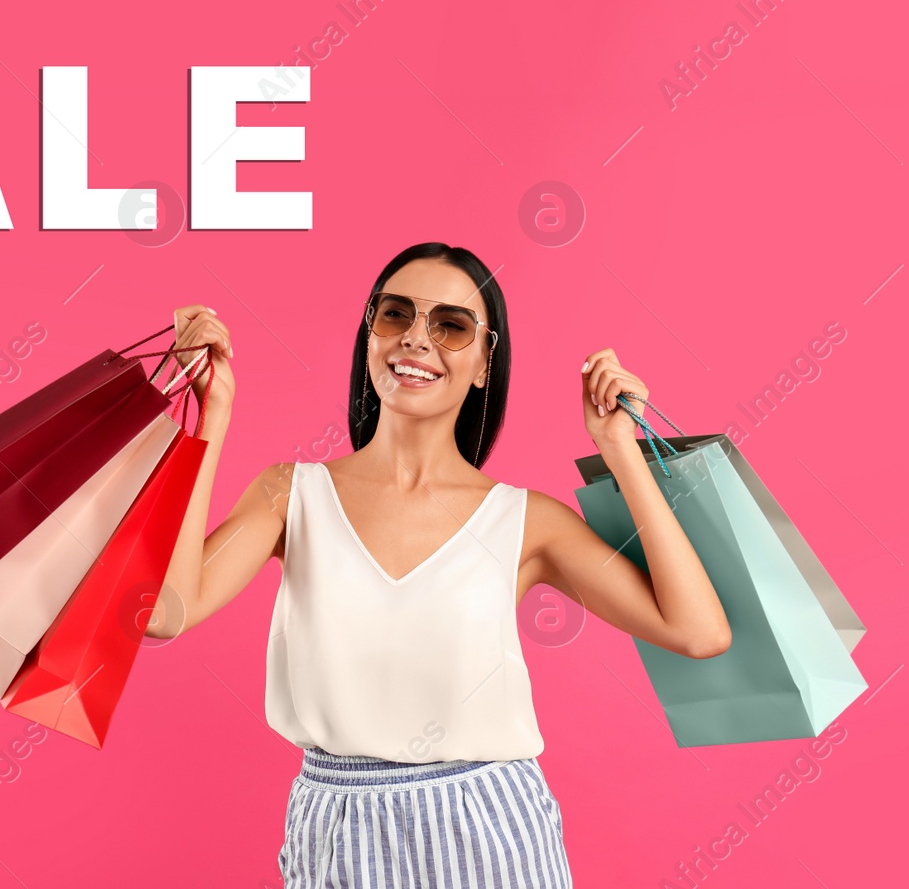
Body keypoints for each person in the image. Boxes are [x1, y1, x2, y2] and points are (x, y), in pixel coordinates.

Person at [148, 242, 730, 887]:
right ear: (370, 336)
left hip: (488, 829)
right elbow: (164, 613)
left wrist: (622, 448)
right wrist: (208, 421)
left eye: (451, 326)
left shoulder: (523, 520)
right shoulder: (291, 494)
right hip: (335, 826)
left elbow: (698, 632)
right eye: (396, 314)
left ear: (486, 362)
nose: (417, 340)